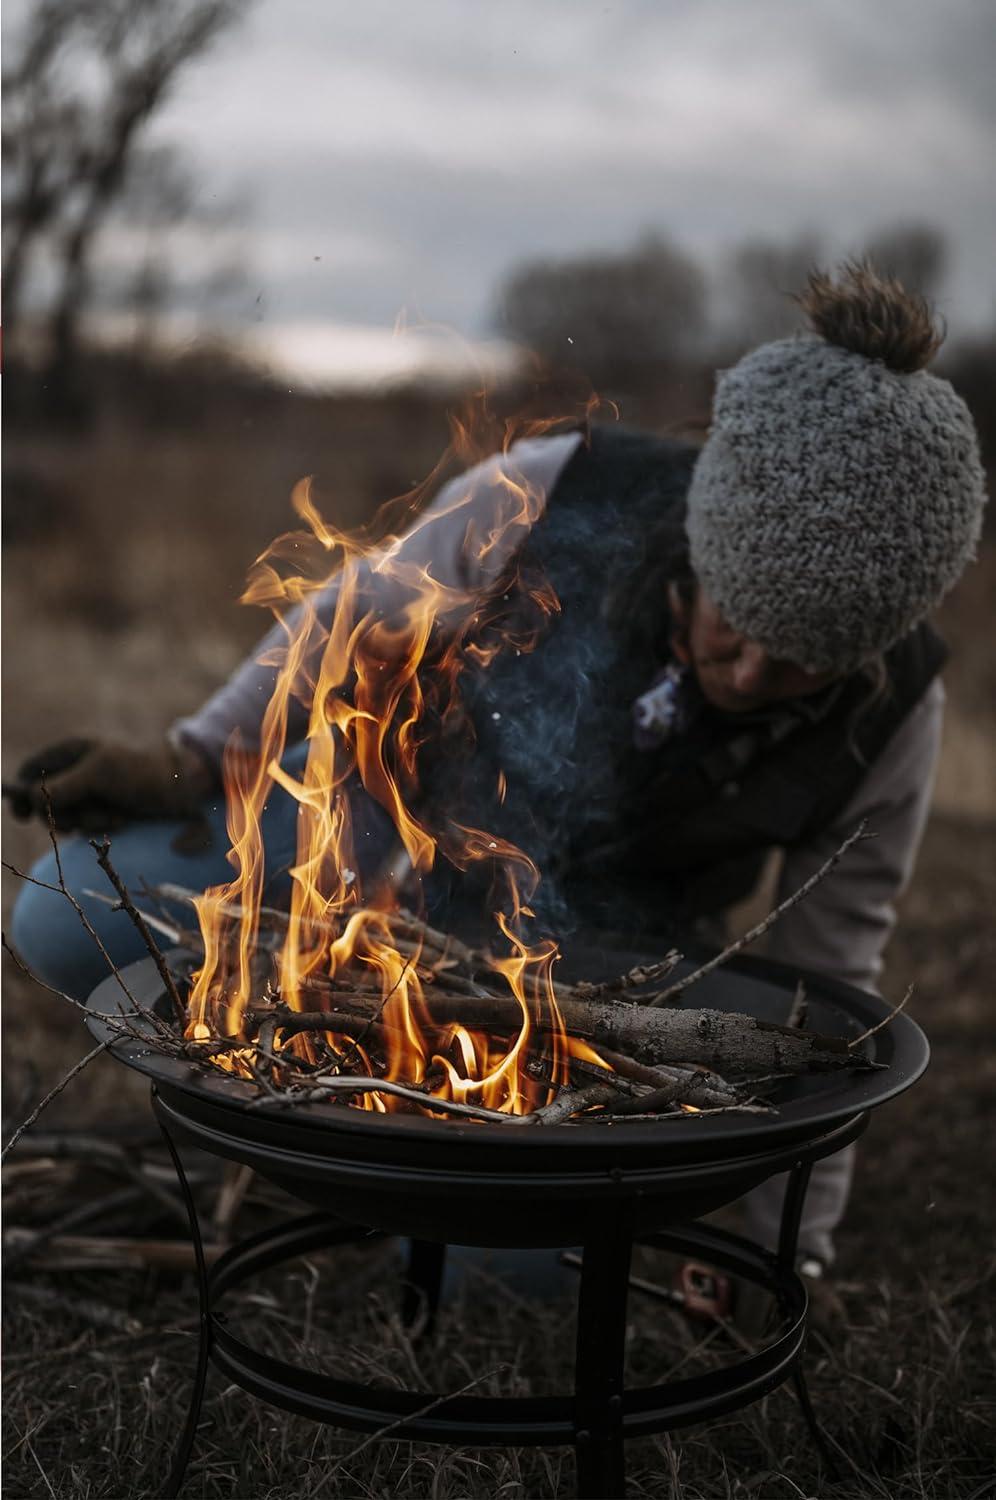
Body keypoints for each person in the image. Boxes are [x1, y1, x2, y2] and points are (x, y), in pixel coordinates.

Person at [9, 263, 987, 1282]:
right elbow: (351, 615)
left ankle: (400, 1171)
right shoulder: (562, 486)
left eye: (794, 667)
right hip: (376, 836)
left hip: (591, 961)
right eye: (732, 630)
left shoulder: (897, 715)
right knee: (64, 910)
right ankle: (302, 1103)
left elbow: (829, 990)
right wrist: (195, 757)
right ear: (703, 547)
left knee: (505, 1269)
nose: (747, 677)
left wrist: (790, 1254)